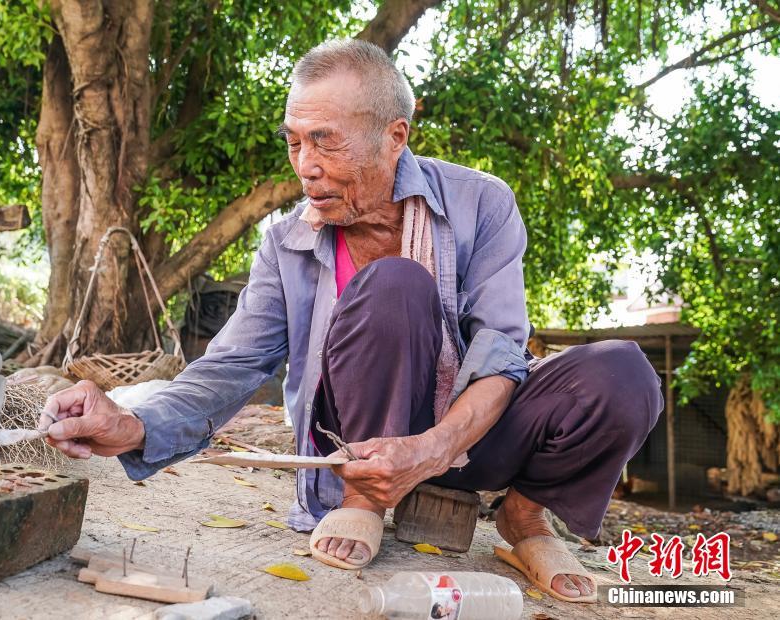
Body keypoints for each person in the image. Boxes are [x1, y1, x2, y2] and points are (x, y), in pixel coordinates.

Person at [40, 39, 663, 603]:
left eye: (325, 140)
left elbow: (503, 354)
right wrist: (132, 424)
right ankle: (362, 498)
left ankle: (524, 518)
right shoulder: (285, 243)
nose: (304, 165)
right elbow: (230, 365)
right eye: (294, 141)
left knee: (622, 373)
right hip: (353, 447)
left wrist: (432, 448)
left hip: (469, 437)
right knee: (394, 286)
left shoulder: (482, 202)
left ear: (395, 137)